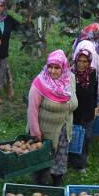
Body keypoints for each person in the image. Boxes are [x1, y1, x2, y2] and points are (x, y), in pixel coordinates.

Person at [27, 50, 78, 187]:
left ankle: (57, 183)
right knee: (42, 157)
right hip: (45, 128)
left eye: (57, 68)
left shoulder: (70, 78)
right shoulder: (40, 83)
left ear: (64, 68)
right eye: (50, 66)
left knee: (60, 157)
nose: (53, 71)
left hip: (64, 127)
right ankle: (38, 185)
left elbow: (73, 101)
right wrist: (35, 132)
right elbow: (32, 109)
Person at [68, 41, 98, 173]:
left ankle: (81, 163)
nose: (82, 64)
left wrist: (95, 107)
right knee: (73, 136)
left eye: (85, 61)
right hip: (74, 111)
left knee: (86, 138)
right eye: (79, 60)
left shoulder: (92, 73)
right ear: (76, 60)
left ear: (89, 62)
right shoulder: (70, 74)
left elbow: (95, 91)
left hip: (88, 111)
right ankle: (71, 159)